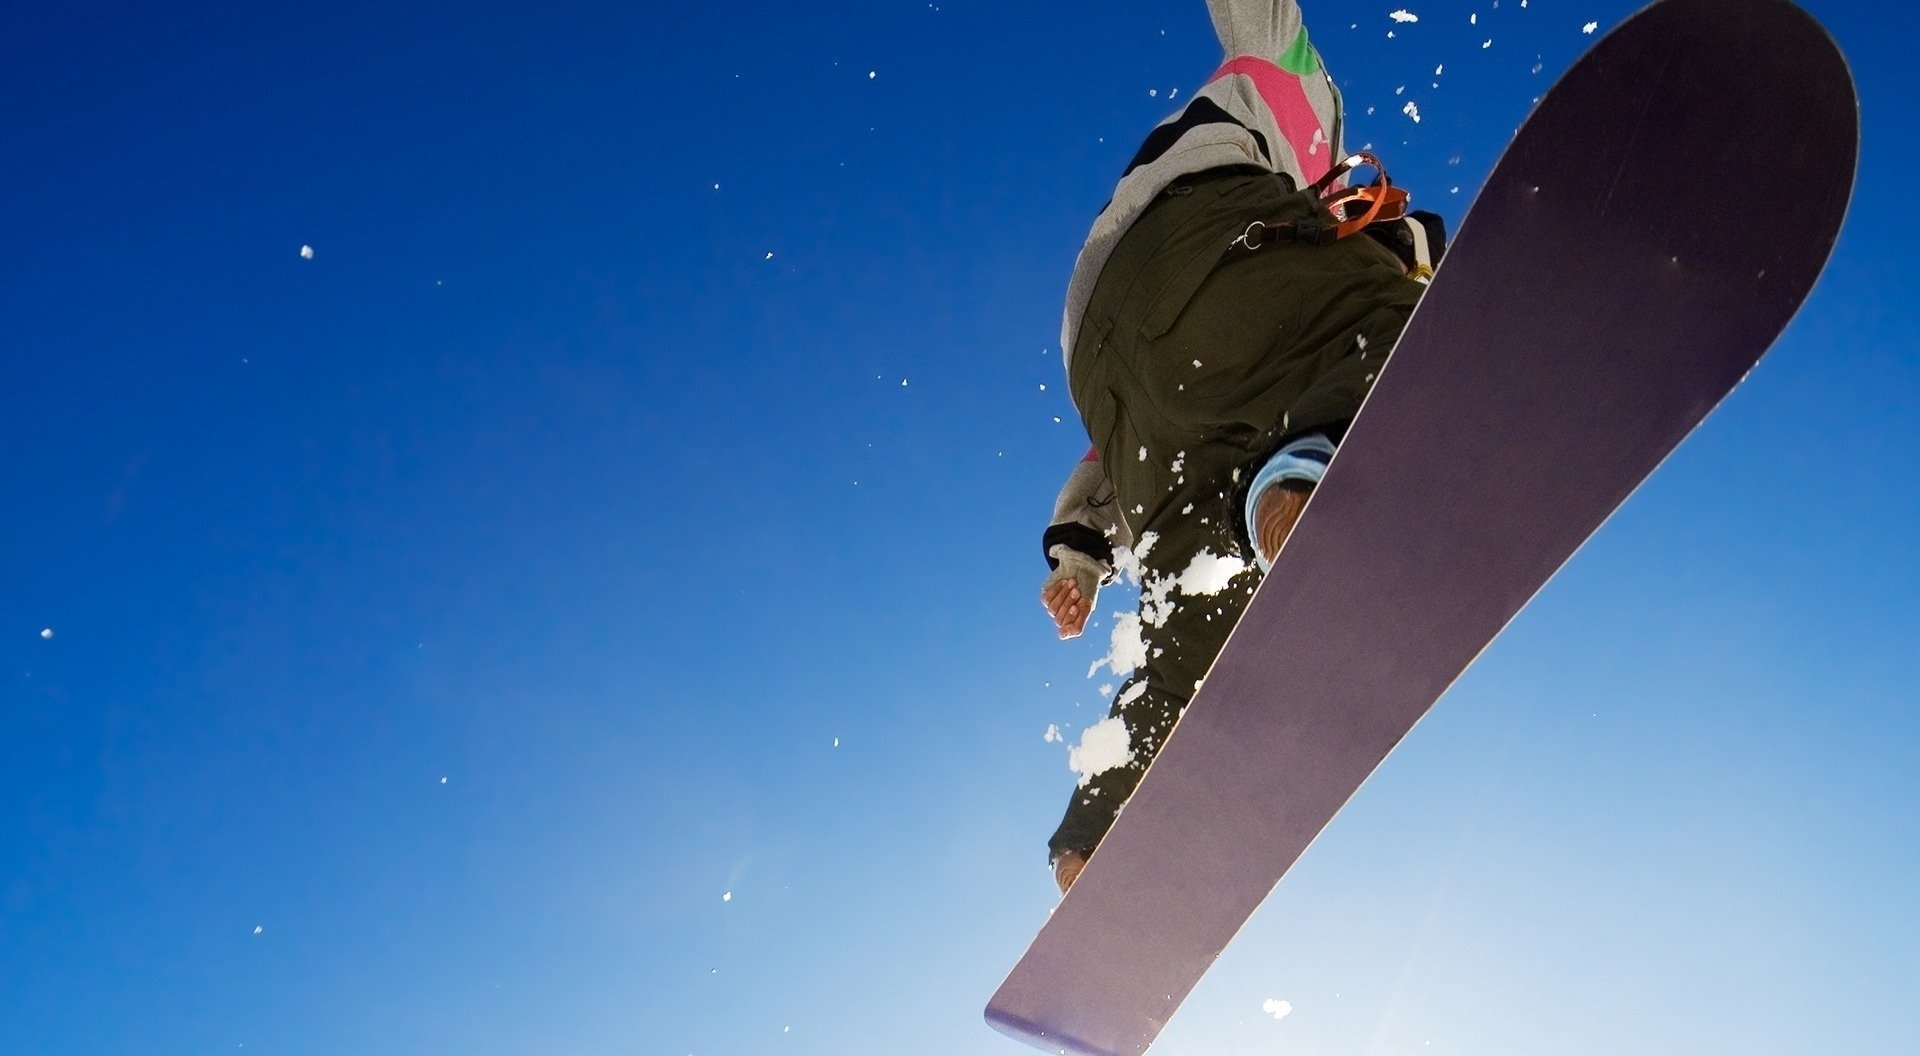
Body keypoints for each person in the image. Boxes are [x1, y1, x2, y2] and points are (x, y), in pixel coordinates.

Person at [1038, 0, 1442, 894]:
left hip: (1109, 377)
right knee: (1417, 330)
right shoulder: (1297, 93)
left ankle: (1095, 840)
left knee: (1201, 629)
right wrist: (1418, 257)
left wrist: (1080, 556)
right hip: (1197, 239)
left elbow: (1105, 465)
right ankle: (1301, 469)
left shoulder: (1299, 248)